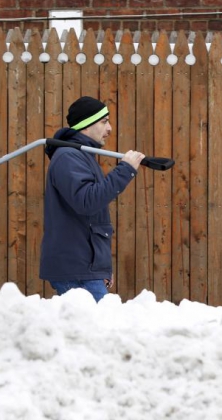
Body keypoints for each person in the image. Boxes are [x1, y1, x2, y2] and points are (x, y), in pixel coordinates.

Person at [39, 96, 145, 302]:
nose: (110, 128)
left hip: (86, 268)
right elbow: (87, 201)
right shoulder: (68, 157)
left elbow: (93, 219)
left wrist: (101, 268)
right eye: (104, 121)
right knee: (98, 330)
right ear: (86, 125)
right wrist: (125, 170)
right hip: (76, 269)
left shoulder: (81, 156)